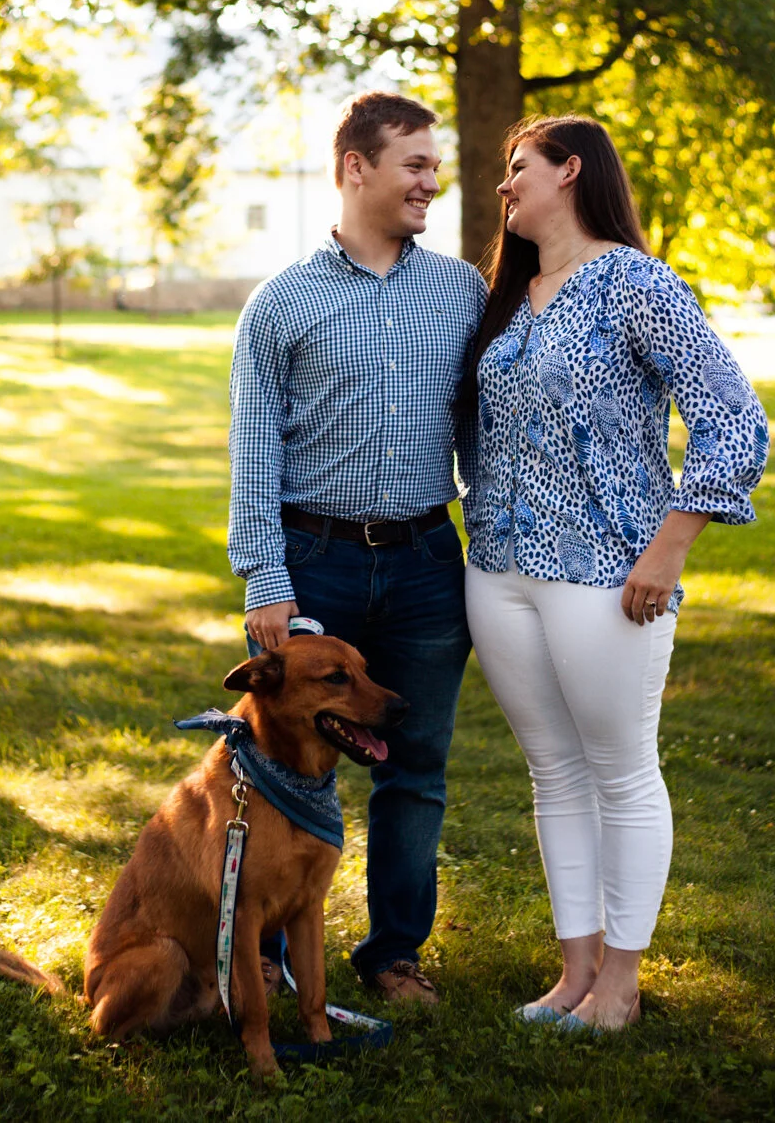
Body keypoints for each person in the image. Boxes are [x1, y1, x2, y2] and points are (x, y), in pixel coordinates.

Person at [461, 114, 769, 1030]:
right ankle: (575, 975)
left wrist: (669, 546)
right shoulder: (511, 296)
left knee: (623, 774)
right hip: (501, 570)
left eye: (520, 168)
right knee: (553, 773)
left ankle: (622, 988)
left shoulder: (635, 283)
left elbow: (734, 417)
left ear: (572, 171)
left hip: (608, 572)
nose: (505, 184)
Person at [228, 91, 487, 1003]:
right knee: (275, 761)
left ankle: (391, 956)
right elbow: (254, 447)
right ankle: (263, 951)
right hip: (315, 559)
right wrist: (266, 576)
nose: (431, 181)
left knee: (413, 763)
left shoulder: (462, 292)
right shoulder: (280, 304)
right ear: (355, 168)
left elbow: (486, 436)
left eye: (433, 165)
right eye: (414, 163)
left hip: (424, 564)